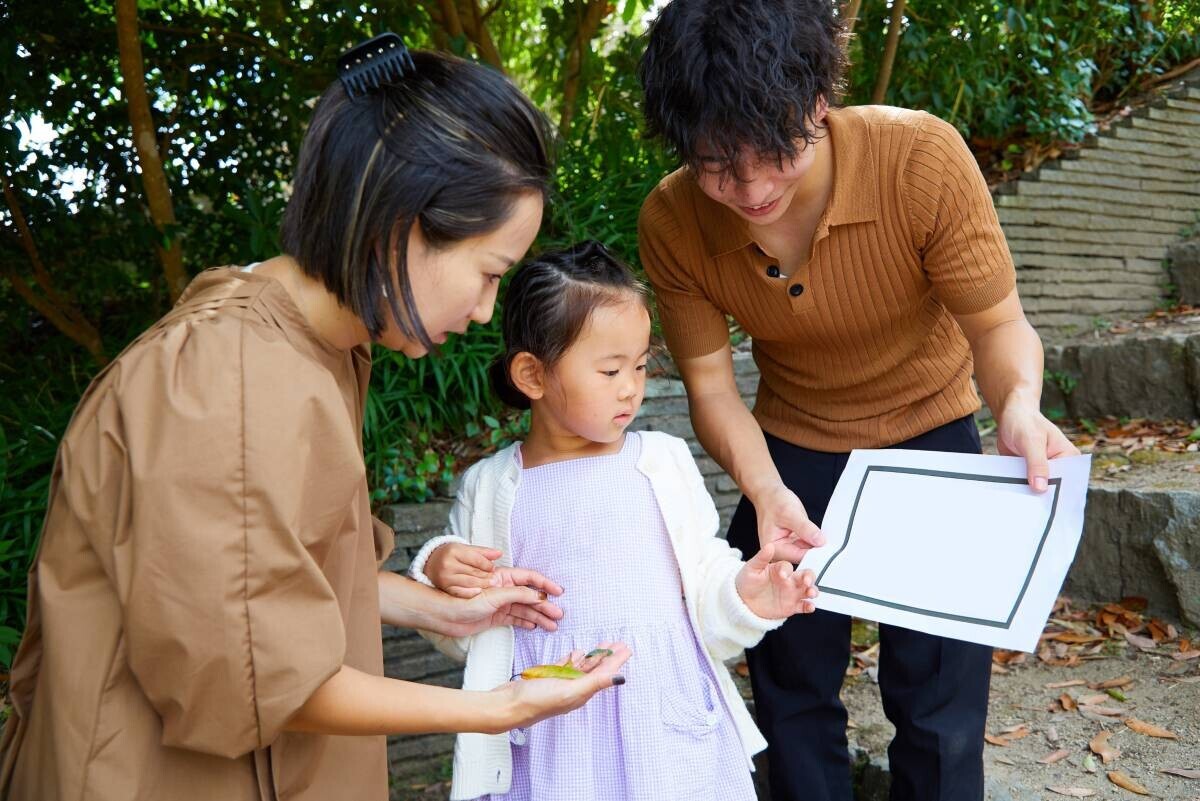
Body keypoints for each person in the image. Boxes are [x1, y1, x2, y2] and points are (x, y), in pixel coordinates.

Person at [0, 47, 628, 801]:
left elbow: (275, 578)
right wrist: (500, 709)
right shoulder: (227, 374)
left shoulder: (318, 348)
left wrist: (444, 610)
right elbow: (259, 672)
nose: (487, 311)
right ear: (399, 225)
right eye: (489, 272)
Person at [635, 2, 1080, 800]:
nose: (751, 186)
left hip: (929, 436)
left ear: (818, 100)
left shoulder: (920, 159)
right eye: (717, 164)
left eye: (775, 149)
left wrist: (1017, 403)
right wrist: (766, 490)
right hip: (791, 453)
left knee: (939, 702)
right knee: (789, 692)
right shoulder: (672, 219)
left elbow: (998, 324)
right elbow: (709, 386)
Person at [409, 241, 820, 801]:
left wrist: (747, 597)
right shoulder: (492, 487)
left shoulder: (663, 461)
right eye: (609, 370)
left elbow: (705, 590)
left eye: (641, 366)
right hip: (551, 737)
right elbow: (466, 637)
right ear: (532, 374)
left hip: (668, 732)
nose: (631, 386)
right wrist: (438, 565)